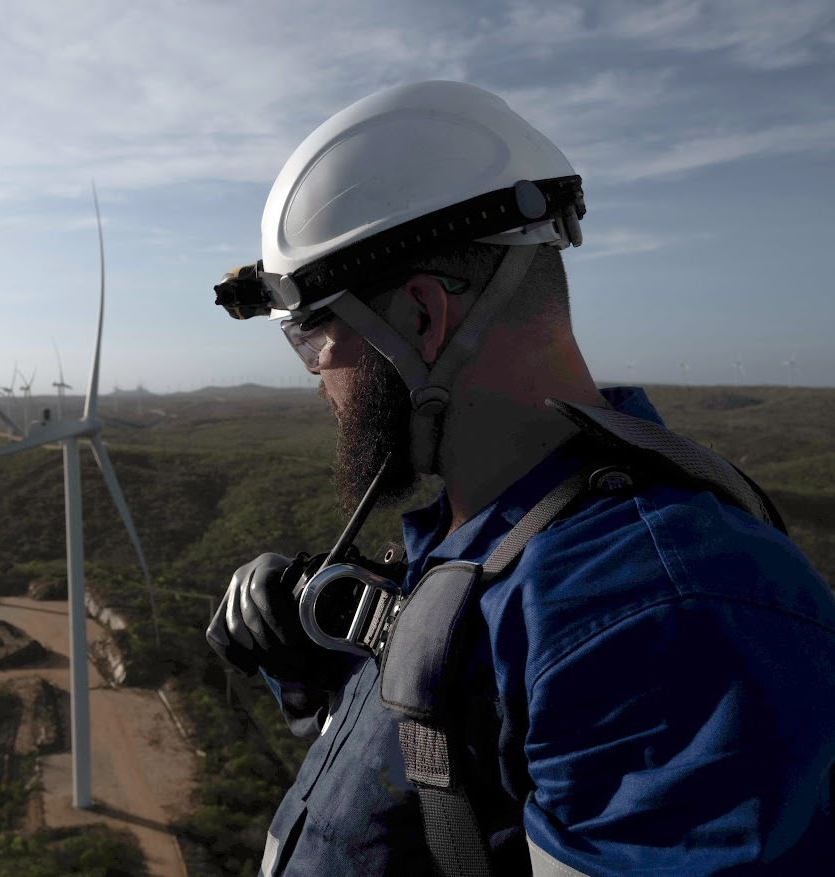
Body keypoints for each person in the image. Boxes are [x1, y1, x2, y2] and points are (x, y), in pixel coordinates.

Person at [205, 80, 835, 876]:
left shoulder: (656, 615)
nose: (316, 378)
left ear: (423, 317)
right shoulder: (494, 549)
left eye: (314, 339)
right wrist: (326, 663)